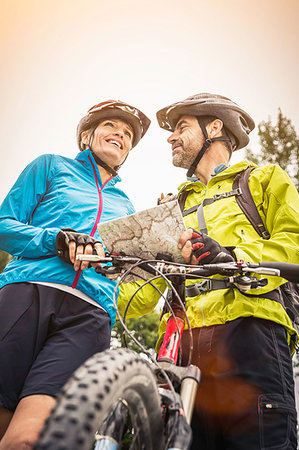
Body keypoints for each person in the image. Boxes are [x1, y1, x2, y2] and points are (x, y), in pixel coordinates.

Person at [0, 99, 153, 449]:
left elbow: (128, 273)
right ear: (87, 136)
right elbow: (4, 225)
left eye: (127, 133)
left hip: (89, 317)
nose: (121, 134)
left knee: (29, 439)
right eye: (111, 126)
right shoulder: (51, 167)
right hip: (28, 294)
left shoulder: (127, 205)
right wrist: (54, 240)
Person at [154, 93, 299, 449]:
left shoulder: (261, 179)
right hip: (183, 344)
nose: (171, 137)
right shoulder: (173, 206)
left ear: (214, 128)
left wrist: (234, 256)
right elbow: (135, 291)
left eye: (181, 127)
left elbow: (294, 239)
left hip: (250, 328)